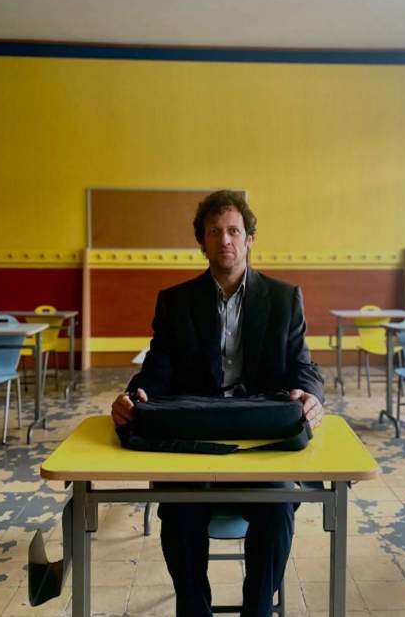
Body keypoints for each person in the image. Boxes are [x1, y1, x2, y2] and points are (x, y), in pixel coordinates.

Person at [111, 189, 324, 617]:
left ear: (249, 239)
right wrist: (136, 395)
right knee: (179, 511)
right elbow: (157, 369)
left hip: (261, 441)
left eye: (233, 231)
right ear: (201, 242)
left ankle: (258, 612)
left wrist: (311, 396)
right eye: (214, 231)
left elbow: (303, 367)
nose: (224, 239)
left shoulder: (285, 298)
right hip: (193, 440)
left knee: (278, 506)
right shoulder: (175, 301)